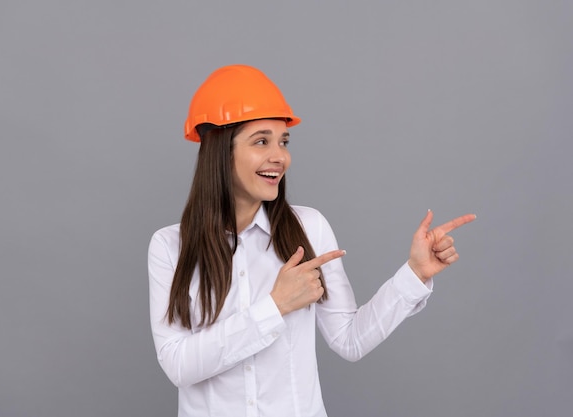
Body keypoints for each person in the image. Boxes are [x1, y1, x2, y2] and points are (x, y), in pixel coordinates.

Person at [148, 64, 476, 417]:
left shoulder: (309, 228)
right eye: (262, 141)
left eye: (283, 141)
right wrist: (275, 306)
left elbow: (350, 339)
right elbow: (178, 366)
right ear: (220, 150)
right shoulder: (169, 247)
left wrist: (415, 273)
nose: (281, 156)